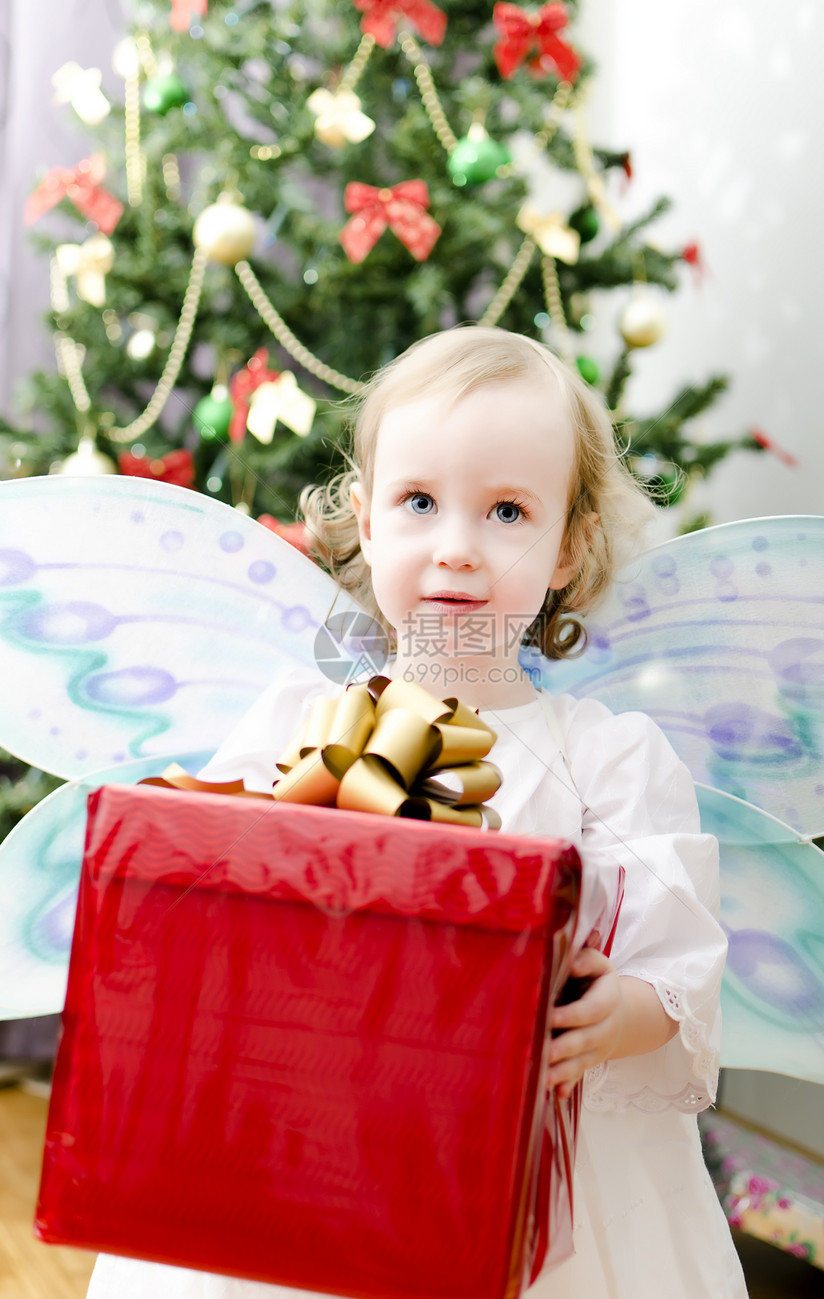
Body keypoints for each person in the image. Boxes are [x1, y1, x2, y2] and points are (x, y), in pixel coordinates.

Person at [86, 326, 748, 1298]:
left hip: (515, 1163)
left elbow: (677, 961)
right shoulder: (295, 727)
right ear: (363, 518)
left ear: (567, 545)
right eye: (419, 503)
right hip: (306, 1137)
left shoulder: (605, 759)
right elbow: (206, 904)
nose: (455, 550)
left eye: (507, 512)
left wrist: (624, 1012)